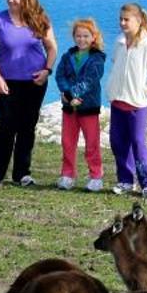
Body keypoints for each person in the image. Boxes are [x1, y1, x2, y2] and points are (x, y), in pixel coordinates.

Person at [0, 0, 58, 188]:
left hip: (34, 83)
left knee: (27, 127)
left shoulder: (40, 18)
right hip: (6, 82)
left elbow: (52, 47)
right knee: (6, 126)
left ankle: (22, 173)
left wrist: (47, 71)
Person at [106, 2, 147, 198]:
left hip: (137, 105)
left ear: (138, 21)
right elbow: (116, 64)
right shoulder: (119, 42)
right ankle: (125, 180)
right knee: (117, 142)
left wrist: (146, 91)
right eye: (120, 19)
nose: (122, 23)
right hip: (117, 102)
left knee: (138, 143)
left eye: (127, 20)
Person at [53, 16, 107, 191]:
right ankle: (67, 175)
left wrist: (73, 94)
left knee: (92, 143)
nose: (82, 39)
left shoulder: (97, 58)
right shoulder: (67, 56)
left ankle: (96, 176)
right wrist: (68, 96)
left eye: (86, 36)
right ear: (74, 37)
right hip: (69, 108)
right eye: (78, 36)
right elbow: (60, 75)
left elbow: (90, 80)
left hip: (88, 107)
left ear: (93, 37)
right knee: (68, 142)